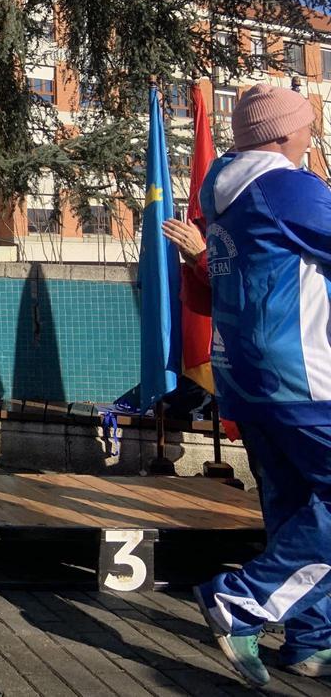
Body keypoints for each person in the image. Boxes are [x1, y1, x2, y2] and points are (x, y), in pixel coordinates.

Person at [188, 83, 331, 686]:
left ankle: (311, 641)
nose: (311, 139)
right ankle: (241, 601)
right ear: (285, 134)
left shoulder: (221, 187)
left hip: (246, 377)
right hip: (303, 376)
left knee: (296, 507)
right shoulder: (287, 186)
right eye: (308, 128)